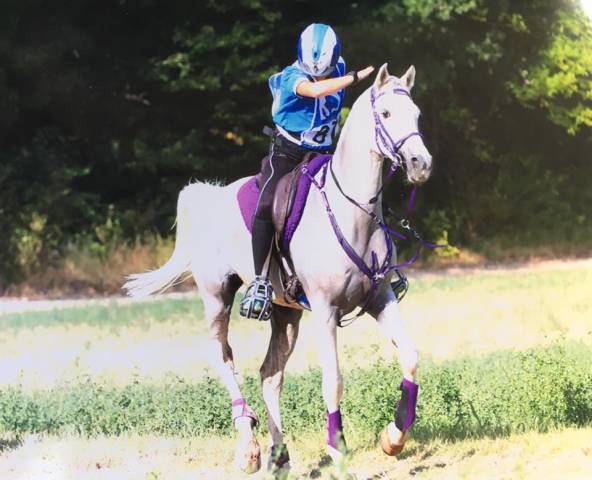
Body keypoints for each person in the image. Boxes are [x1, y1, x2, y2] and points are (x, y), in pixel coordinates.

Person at [239, 23, 374, 320]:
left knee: (364, 191)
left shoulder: (336, 66)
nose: (321, 75)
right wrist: (352, 78)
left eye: (325, 71)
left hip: (325, 152)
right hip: (287, 153)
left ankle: (379, 264)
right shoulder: (292, 77)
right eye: (316, 71)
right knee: (266, 204)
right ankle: (260, 283)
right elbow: (313, 91)